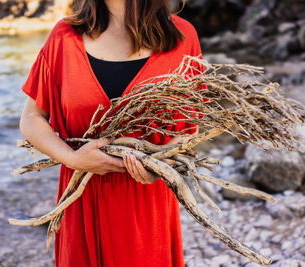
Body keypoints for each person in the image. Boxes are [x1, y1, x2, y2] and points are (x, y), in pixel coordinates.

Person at [19, 0, 204, 266]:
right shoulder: (64, 36)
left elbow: (190, 128)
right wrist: (72, 159)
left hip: (146, 205)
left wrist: (163, 164)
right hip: (80, 203)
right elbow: (31, 118)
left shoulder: (182, 37)